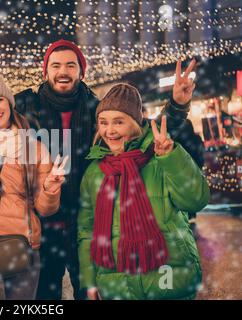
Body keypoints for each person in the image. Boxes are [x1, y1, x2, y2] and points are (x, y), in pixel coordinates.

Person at [0, 18, 205, 299]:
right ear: (45, 72)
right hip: (42, 227)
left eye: (71, 65)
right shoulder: (26, 106)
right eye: (56, 66)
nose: (63, 71)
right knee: (44, 299)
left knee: (89, 293)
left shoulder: (98, 110)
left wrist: (177, 106)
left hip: (90, 224)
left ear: (81, 72)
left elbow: (142, 134)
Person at [78, 84, 210, 300]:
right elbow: (86, 230)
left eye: (118, 122)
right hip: (117, 283)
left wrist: (170, 158)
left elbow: (197, 200)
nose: (109, 131)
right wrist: (89, 281)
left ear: (135, 124)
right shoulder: (94, 172)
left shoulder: (161, 157)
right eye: (103, 123)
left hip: (169, 277)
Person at [0, 70, 66, 299]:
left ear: (10, 101)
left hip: (24, 247)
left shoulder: (35, 148)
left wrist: (50, 188)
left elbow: (45, 208)